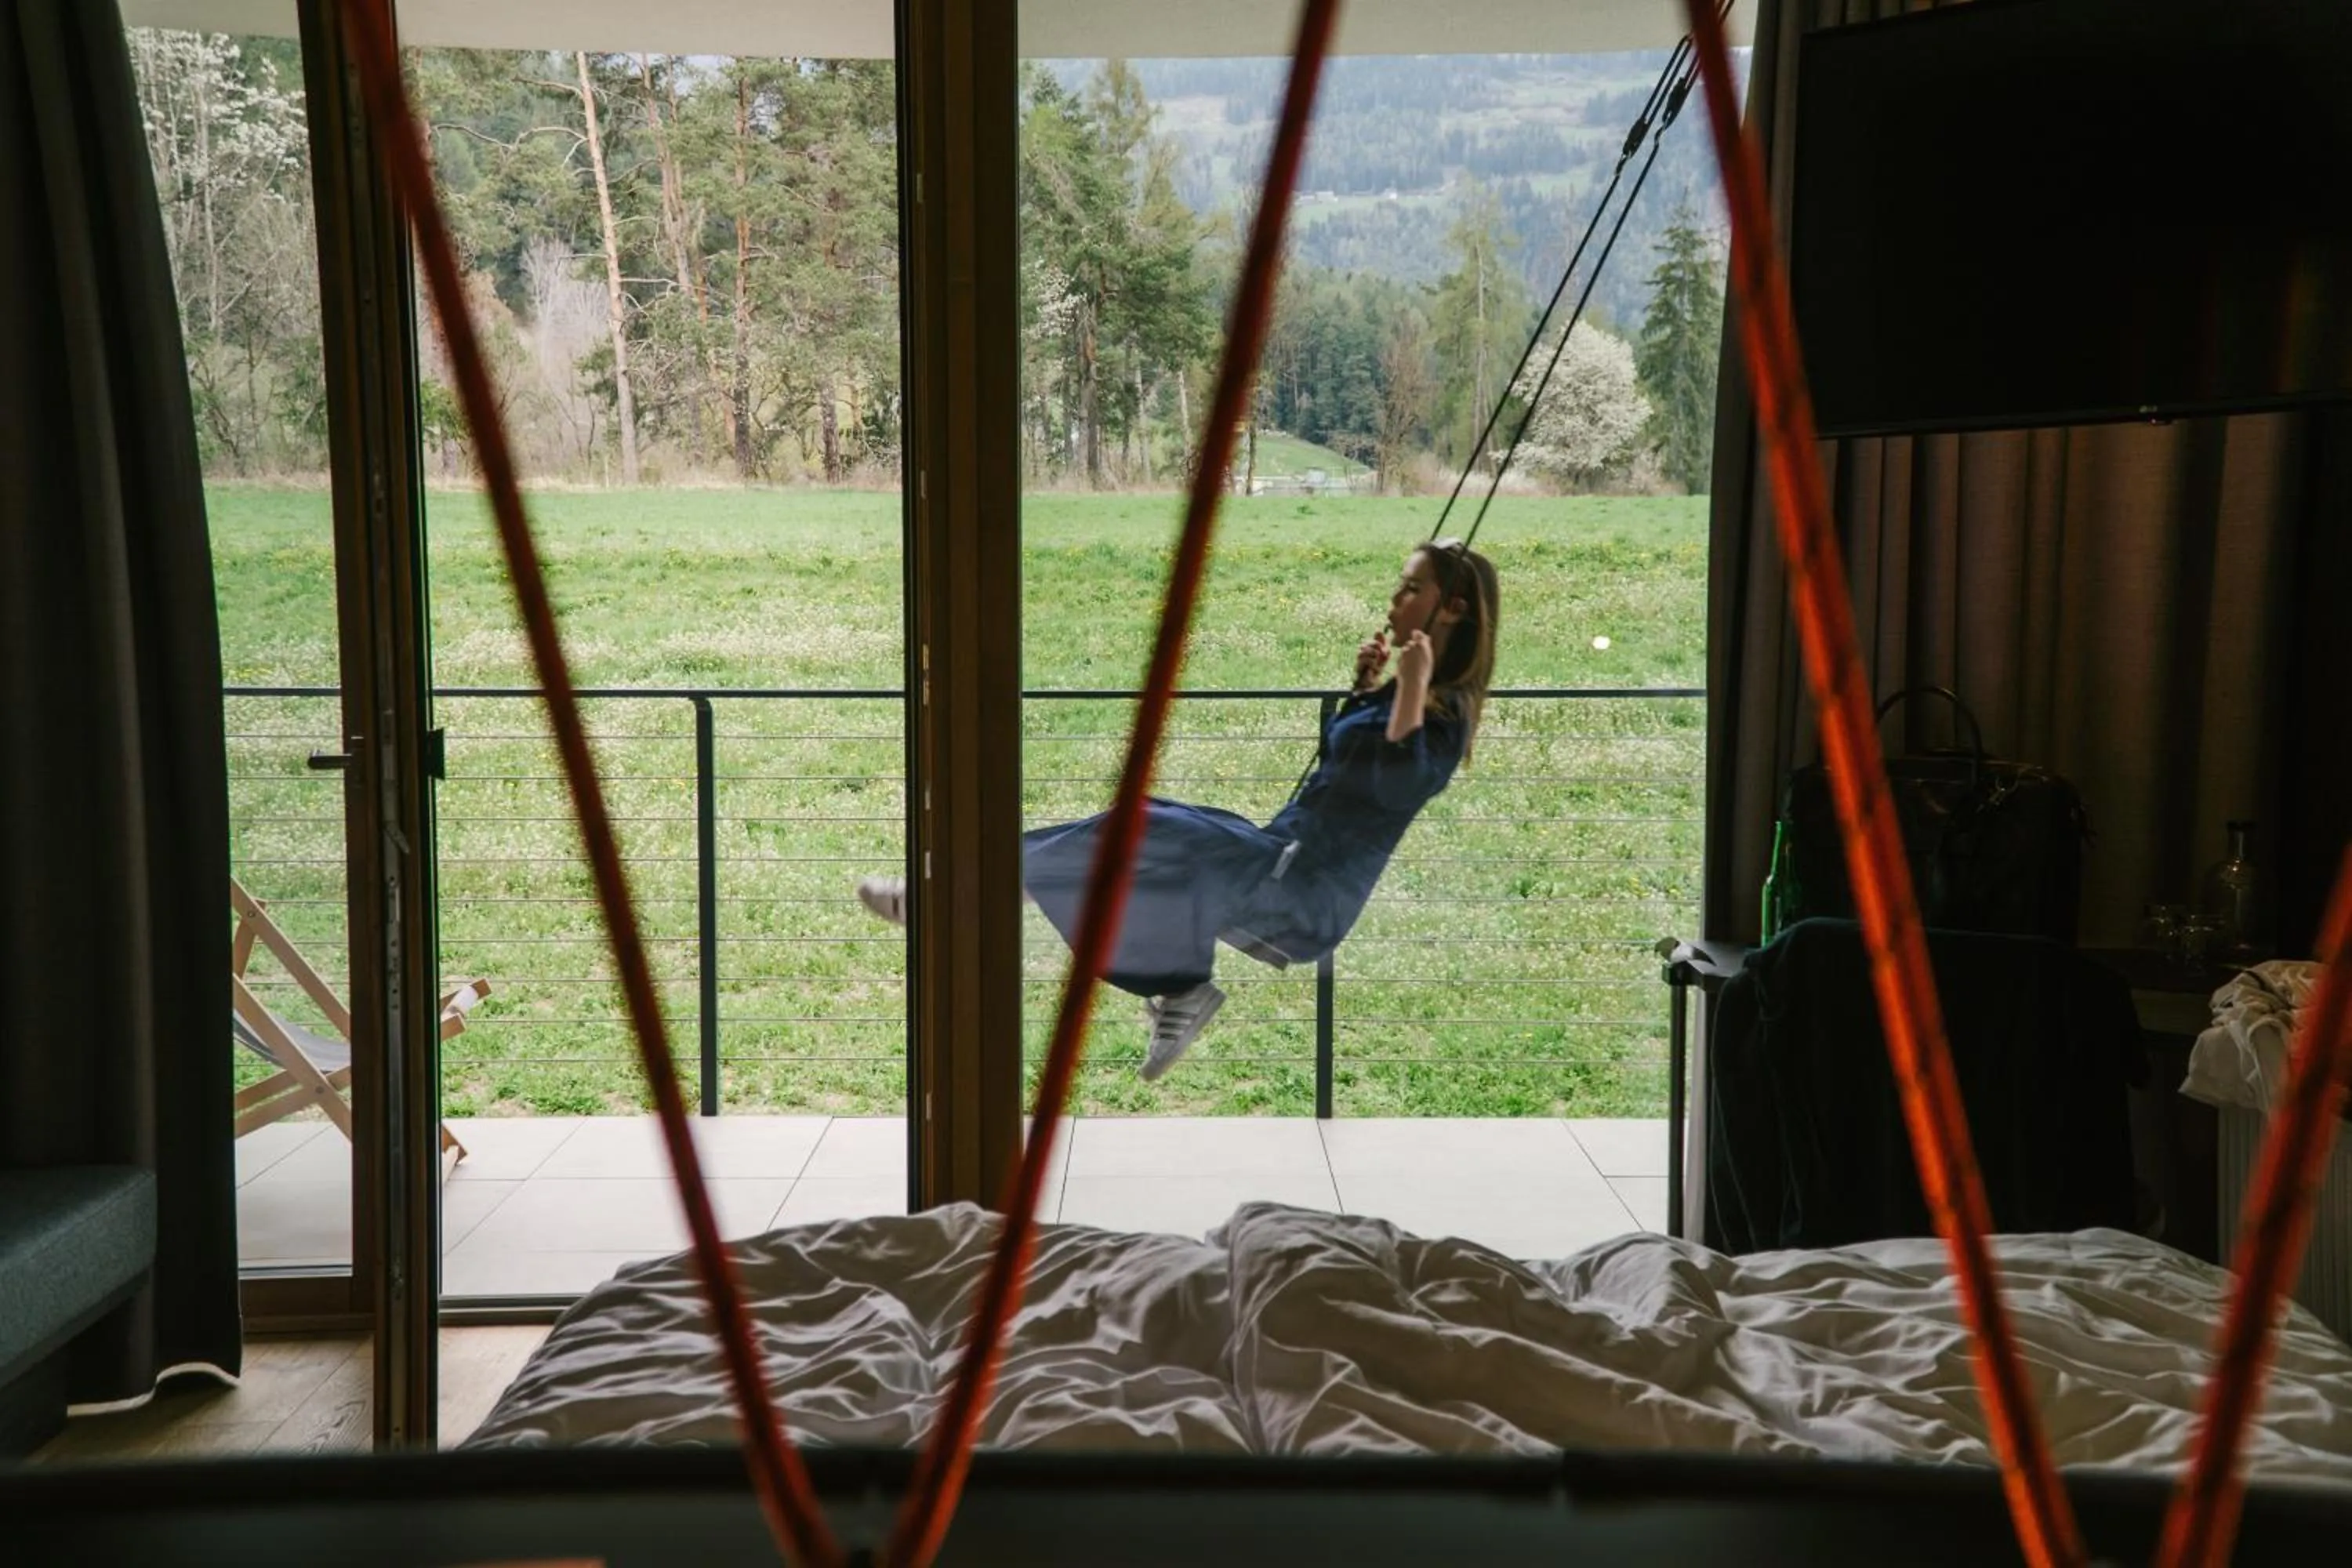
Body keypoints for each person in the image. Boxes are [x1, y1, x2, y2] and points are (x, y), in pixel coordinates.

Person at [856, 539, 1498, 1081]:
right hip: (1278, 852)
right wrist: (1367, 691)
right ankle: (1168, 978)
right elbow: (1354, 770)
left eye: (1412, 589)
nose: (1395, 600)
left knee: (1141, 829)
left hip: (1303, 894)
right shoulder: (1412, 697)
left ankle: (950, 903)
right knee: (1131, 828)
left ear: (1454, 609)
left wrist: (1409, 687)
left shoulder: (1444, 720)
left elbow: (1395, 782)